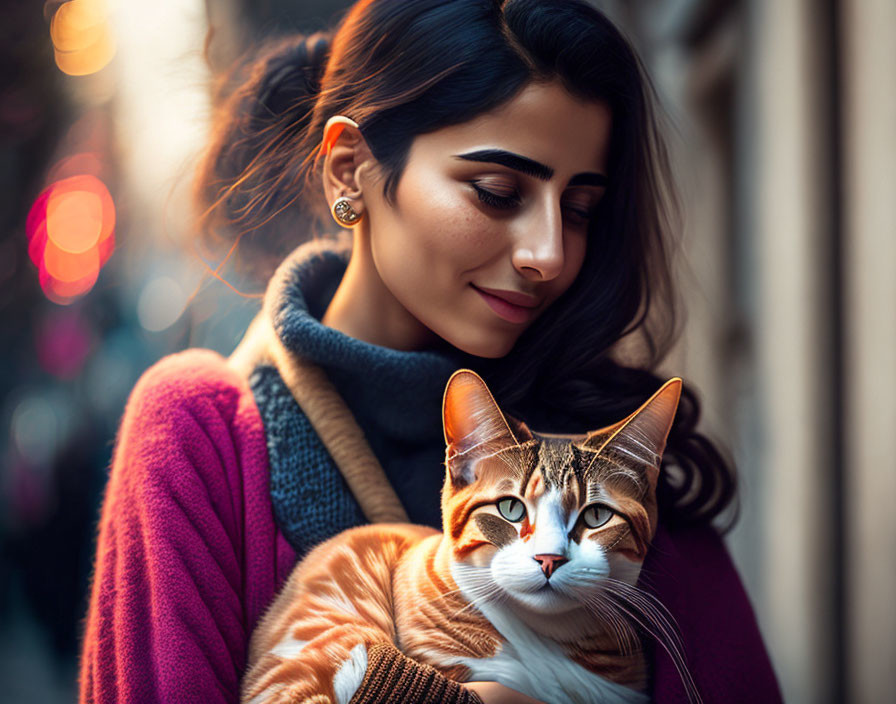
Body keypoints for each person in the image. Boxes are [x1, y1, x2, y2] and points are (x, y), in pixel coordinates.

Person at [77, 1, 783, 702]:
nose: (549, 254)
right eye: (498, 192)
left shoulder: (619, 455)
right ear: (349, 169)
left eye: (580, 210)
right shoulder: (202, 434)